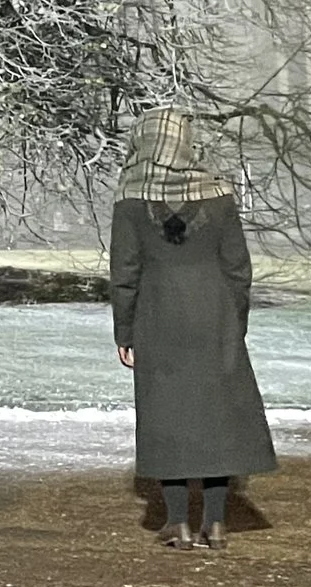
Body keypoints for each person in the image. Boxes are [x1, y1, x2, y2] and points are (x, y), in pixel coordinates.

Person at [107, 108, 278, 550]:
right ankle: (216, 524)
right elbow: (239, 268)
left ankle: (178, 523)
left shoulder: (130, 200)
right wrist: (233, 322)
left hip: (157, 317)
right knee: (216, 418)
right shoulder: (218, 195)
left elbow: (126, 274)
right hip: (214, 314)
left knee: (167, 418)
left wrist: (124, 333)